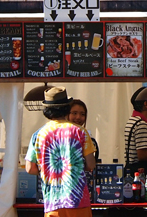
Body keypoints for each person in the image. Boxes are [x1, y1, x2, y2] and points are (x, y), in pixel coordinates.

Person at [26, 87, 96, 217]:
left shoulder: (38, 134)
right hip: (78, 200)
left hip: (52, 202)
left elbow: (30, 168)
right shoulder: (80, 131)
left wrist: (48, 170)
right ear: (67, 108)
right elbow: (91, 164)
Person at [124, 87, 147, 173]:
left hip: (130, 167)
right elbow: (142, 154)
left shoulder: (132, 120)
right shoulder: (141, 124)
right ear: (146, 104)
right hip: (138, 169)